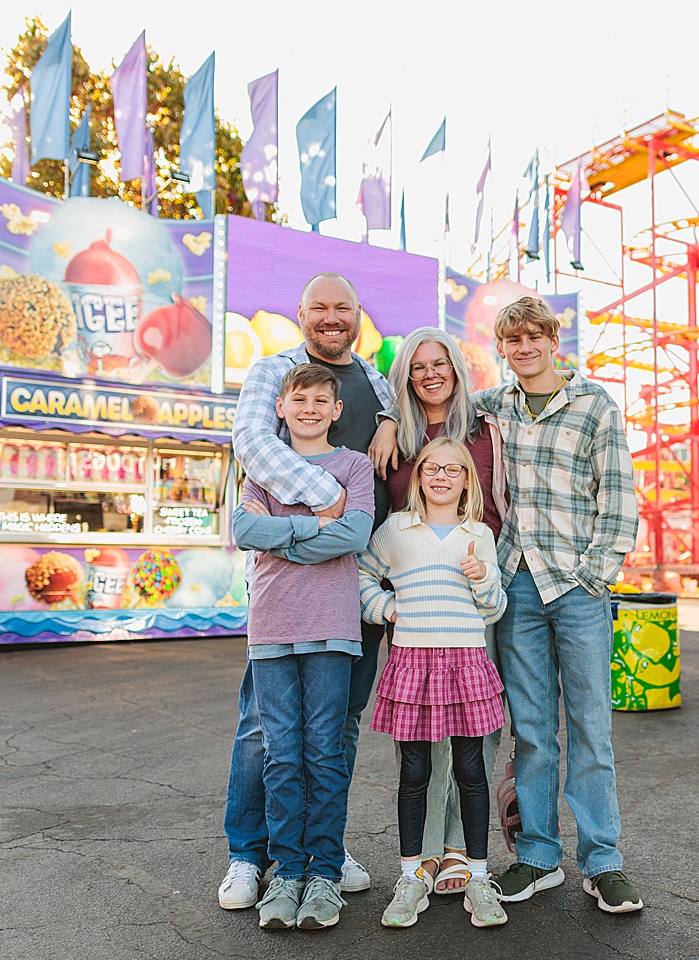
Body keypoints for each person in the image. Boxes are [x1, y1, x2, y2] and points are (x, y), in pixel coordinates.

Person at [370, 296, 641, 913]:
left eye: (533, 338)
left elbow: (619, 497)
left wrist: (593, 576)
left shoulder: (594, 404)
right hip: (517, 584)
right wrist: (387, 417)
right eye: (513, 341)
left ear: (553, 341)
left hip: (577, 587)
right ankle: (539, 856)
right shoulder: (496, 407)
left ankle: (603, 862)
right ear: (502, 350)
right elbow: (432, 397)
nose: (524, 349)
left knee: (591, 729)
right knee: (533, 731)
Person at [220, 273, 393, 910]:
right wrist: (324, 508)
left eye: (343, 307)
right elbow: (252, 446)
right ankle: (249, 855)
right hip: (285, 596)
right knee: (264, 731)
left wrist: (391, 420)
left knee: (336, 728)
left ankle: (325, 850)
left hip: (357, 585)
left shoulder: (375, 381)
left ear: (358, 315)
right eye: (319, 307)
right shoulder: (275, 370)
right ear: (300, 314)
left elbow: (391, 451)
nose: (331, 317)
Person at [231, 362, 375, 930]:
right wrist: (313, 528)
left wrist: (281, 539)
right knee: (282, 755)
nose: (310, 409)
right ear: (281, 408)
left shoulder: (354, 465)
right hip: (271, 628)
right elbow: (245, 532)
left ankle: (324, 873)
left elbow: (355, 534)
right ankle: (287, 871)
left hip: (333, 628)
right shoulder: (263, 467)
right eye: (300, 399)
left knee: (323, 753)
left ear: (337, 410)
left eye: (321, 400)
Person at [372, 327, 506, 895]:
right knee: (419, 740)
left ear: (456, 368)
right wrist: (386, 604)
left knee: (473, 738)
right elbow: (381, 533)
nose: (430, 374)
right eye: (418, 366)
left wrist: (485, 575)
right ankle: (423, 855)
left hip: (473, 586)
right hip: (417, 598)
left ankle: (459, 850)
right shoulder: (395, 435)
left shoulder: (484, 427)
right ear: (405, 375)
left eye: (440, 363)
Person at [359, 438, 509, 928]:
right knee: (415, 772)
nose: (441, 476)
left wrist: (483, 577)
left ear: (467, 480)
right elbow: (361, 575)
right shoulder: (397, 530)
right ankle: (410, 878)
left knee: (471, 770)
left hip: (466, 660)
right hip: (413, 660)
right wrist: (387, 608)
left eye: (453, 469)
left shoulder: (478, 535)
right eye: (431, 468)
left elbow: (494, 608)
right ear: (418, 476)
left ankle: (478, 877)